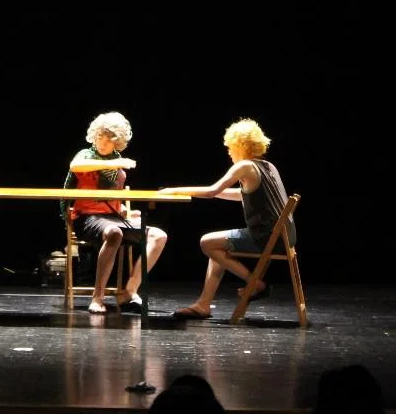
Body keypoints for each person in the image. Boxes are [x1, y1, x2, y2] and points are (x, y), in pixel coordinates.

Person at [161, 118, 296, 319]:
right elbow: (240, 194)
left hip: (266, 237)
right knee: (218, 245)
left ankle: (256, 284)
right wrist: (215, 193)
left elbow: (211, 191)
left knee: (206, 242)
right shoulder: (268, 166)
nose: (229, 152)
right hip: (285, 237)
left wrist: (175, 190)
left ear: (239, 145)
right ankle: (203, 304)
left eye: (230, 147)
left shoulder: (244, 166)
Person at [63, 111, 168, 314]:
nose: (102, 142)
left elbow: (114, 197)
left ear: (117, 141)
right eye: (100, 136)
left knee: (158, 235)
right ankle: (98, 298)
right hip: (87, 217)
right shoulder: (86, 155)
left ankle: (129, 290)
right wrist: (114, 163)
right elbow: (75, 166)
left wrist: (126, 211)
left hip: (113, 217)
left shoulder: (117, 162)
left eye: (108, 139)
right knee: (114, 233)